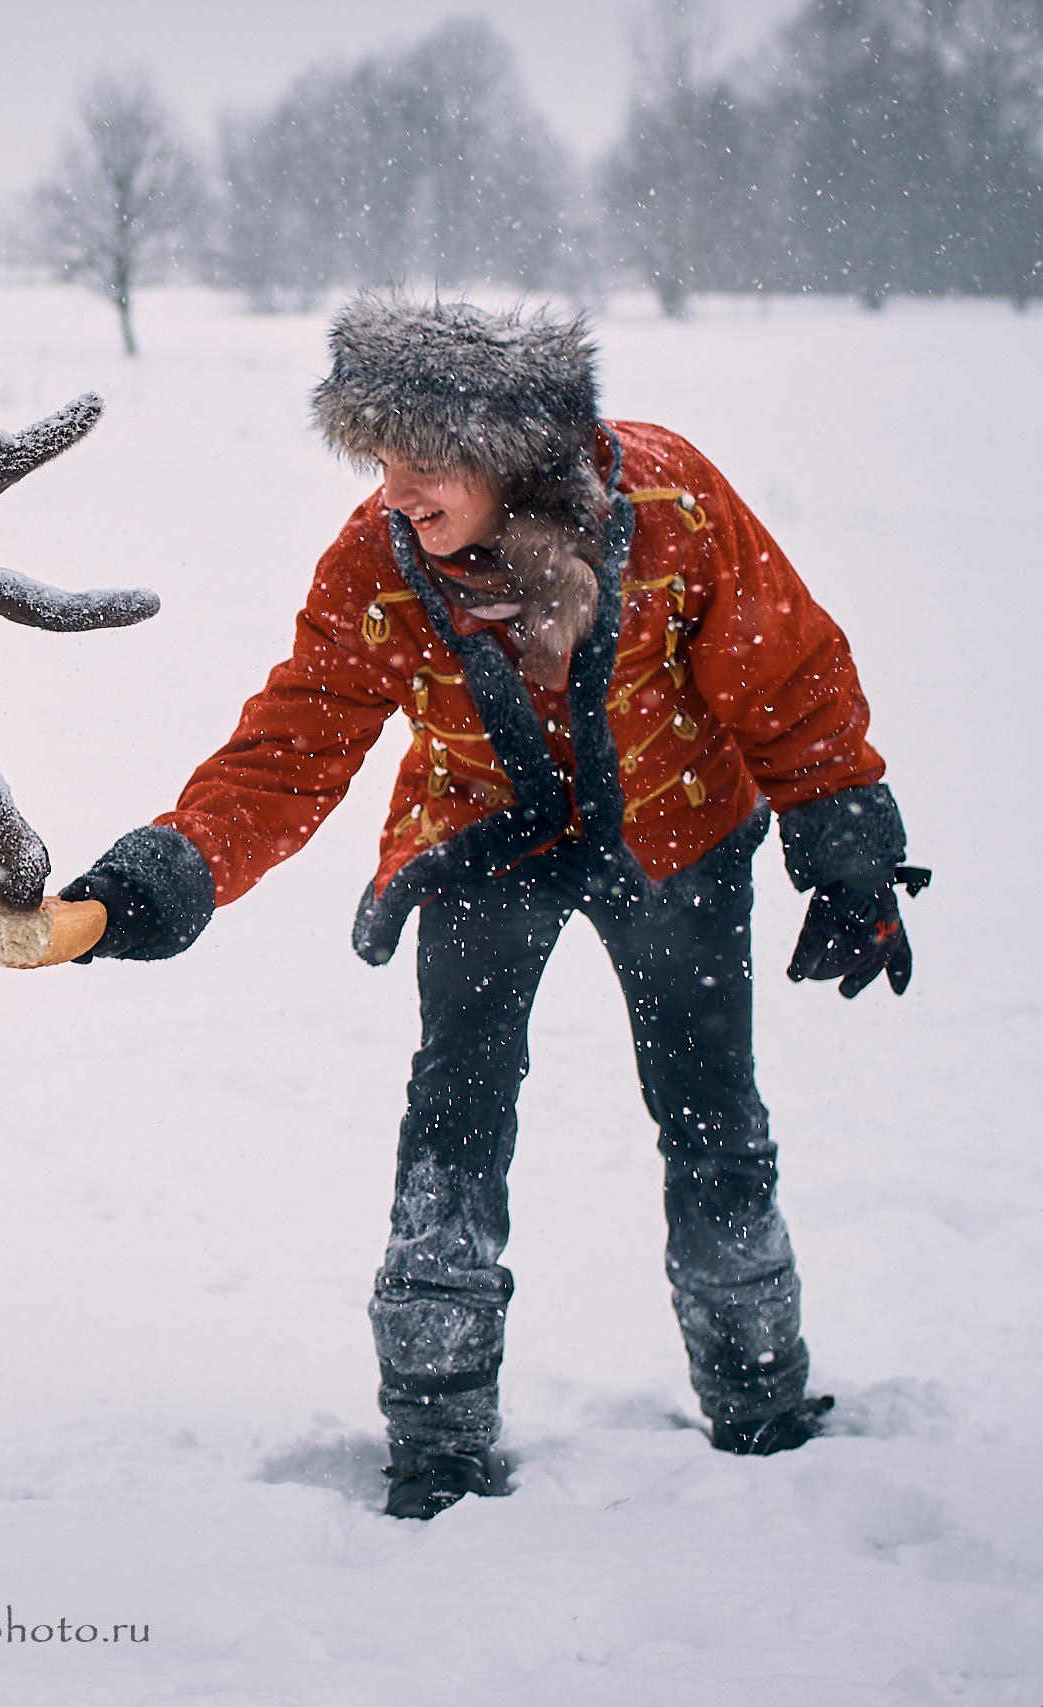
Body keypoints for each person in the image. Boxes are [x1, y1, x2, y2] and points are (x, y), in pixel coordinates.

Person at [63, 296, 926, 1520]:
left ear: (513, 450)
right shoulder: (379, 561)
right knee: (452, 1125)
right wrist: (175, 867)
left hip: (674, 828)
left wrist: (844, 844)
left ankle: (760, 1398)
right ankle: (437, 1434)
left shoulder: (669, 504)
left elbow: (780, 667)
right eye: (379, 460)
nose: (395, 490)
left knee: (710, 1113)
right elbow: (297, 737)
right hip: (478, 841)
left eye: (427, 463)